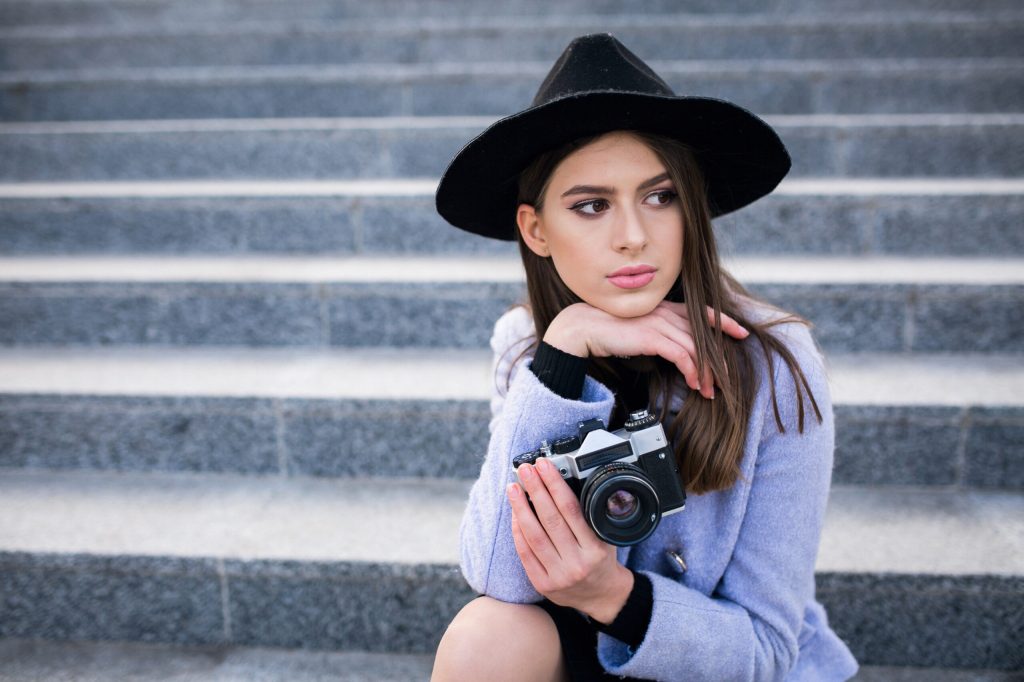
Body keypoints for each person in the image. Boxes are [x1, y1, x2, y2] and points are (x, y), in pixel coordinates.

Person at [430, 33, 860, 682]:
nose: (633, 236)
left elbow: (769, 649)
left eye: (661, 197)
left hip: (715, 660)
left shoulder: (774, 360)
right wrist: (564, 350)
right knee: (485, 637)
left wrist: (609, 595)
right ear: (536, 229)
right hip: (583, 653)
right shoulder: (531, 344)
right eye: (592, 206)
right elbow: (496, 574)